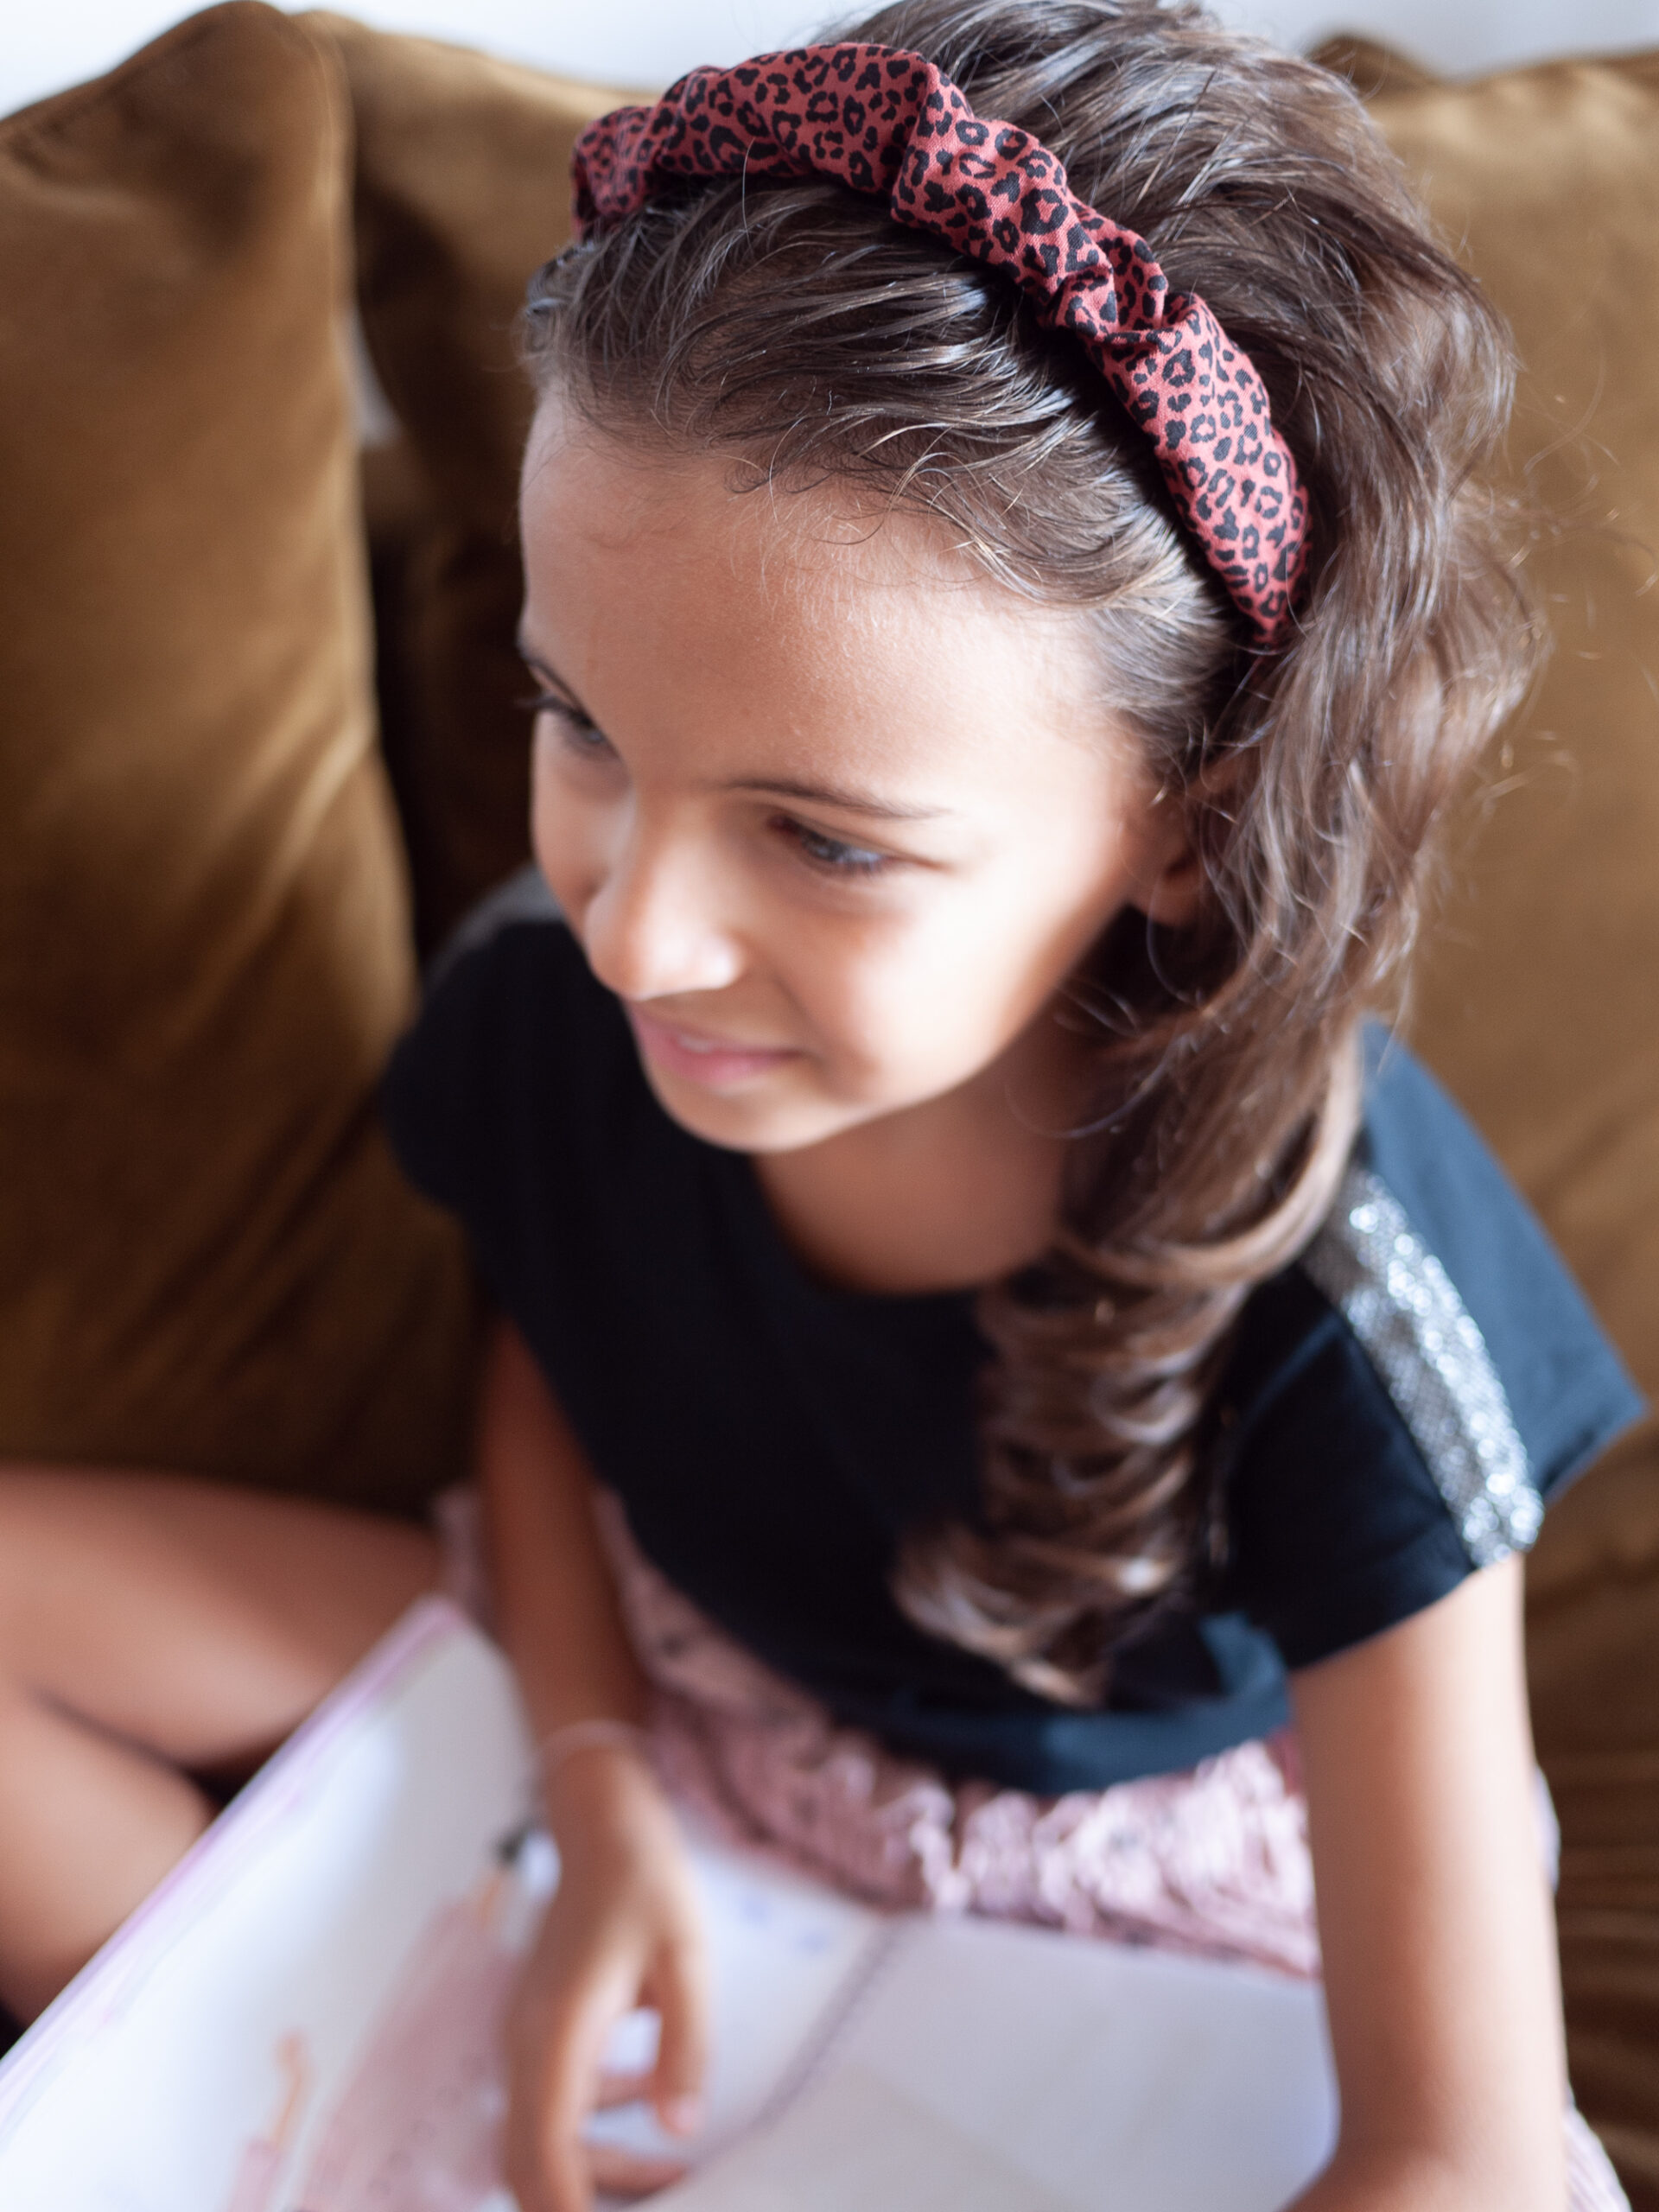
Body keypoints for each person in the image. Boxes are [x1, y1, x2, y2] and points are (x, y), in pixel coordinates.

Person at [0, 3, 1642, 2209]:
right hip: (659, 1679)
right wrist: (595, 1786)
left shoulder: (1343, 1274)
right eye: (578, 722)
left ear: (1190, 815)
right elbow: (565, 1357)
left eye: (826, 838)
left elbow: (1450, 2149)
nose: (638, 931)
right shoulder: (558, 999)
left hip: (1134, 1896)